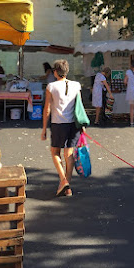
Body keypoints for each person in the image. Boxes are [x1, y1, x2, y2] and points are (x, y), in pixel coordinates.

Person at [41, 59, 83, 197]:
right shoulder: (76, 85)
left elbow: (47, 109)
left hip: (58, 123)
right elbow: (79, 107)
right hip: (73, 124)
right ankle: (67, 186)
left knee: (55, 153)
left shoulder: (51, 86)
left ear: (55, 72)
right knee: (68, 154)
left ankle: (63, 180)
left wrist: (43, 129)